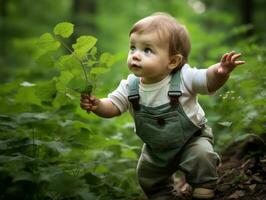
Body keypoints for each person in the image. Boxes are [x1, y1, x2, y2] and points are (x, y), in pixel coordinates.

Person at [80, 12, 245, 200]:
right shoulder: (130, 86)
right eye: (133, 48)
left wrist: (221, 72)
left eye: (147, 50)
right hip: (156, 149)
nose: (136, 55)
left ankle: (204, 186)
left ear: (173, 61)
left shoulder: (184, 77)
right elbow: (113, 107)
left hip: (191, 139)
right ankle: (163, 194)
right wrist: (98, 105)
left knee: (202, 156)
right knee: (147, 176)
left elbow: (207, 80)